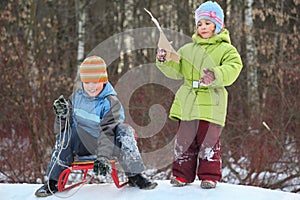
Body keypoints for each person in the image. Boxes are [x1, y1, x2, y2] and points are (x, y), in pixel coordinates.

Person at [35, 56, 157, 197]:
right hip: (84, 144)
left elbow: (108, 131)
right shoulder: (75, 98)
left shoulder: (111, 102)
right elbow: (60, 130)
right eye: (87, 82)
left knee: (125, 130)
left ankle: (135, 175)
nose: (91, 86)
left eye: (95, 82)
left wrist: (103, 157)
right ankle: (52, 181)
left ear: (103, 80)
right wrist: (62, 116)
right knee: (67, 135)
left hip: (109, 144)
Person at [156, 1, 243, 189]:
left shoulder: (226, 50)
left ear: (218, 25)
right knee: (184, 140)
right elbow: (176, 69)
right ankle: (181, 175)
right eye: (200, 24)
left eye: (207, 23)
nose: (203, 27)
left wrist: (215, 75)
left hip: (212, 102)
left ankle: (209, 176)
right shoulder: (187, 50)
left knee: (208, 141)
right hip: (188, 102)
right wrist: (165, 58)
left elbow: (234, 68)